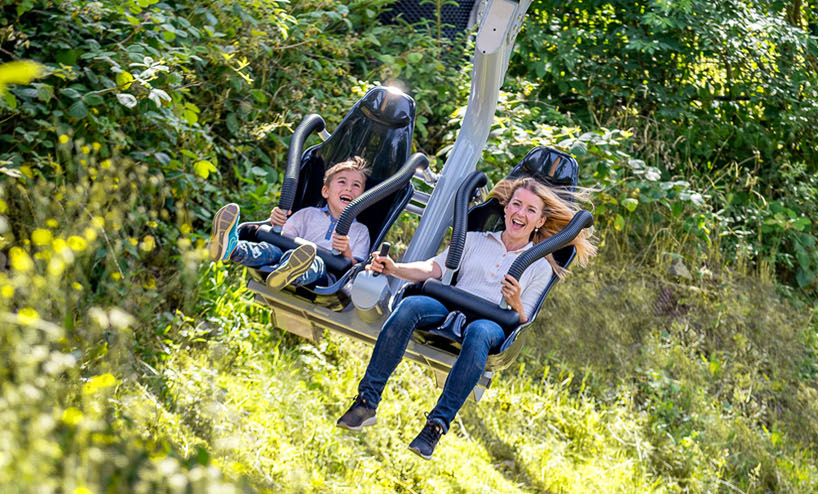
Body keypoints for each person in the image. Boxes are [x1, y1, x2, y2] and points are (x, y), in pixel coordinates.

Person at [334, 176, 595, 459]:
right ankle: (366, 401)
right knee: (410, 306)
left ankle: (435, 426)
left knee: (481, 332)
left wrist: (515, 300)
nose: (520, 213)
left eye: (530, 210)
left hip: (492, 322)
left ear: (540, 222)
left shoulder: (539, 266)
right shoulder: (473, 239)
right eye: (516, 205)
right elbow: (433, 268)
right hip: (451, 307)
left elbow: (524, 319)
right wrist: (395, 268)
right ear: (505, 208)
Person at [209, 156, 373, 290]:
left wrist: (346, 251)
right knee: (270, 250)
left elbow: (354, 269)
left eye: (356, 185)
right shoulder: (307, 214)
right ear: (325, 191)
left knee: (313, 263)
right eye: (342, 182)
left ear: (362, 198)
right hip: (287, 255)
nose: (349, 188)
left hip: (325, 272)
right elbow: (283, 238)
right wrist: (276, 222)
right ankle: (232, 248)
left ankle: (289, 272)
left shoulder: (360, 231)